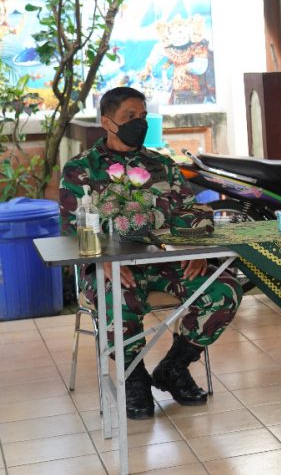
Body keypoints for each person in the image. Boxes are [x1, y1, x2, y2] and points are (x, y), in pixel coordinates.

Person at [60, 86, 241, 420]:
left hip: (164, 262)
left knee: (224, 289)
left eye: (142, 116)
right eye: (130, 117)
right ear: (107, 122)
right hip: (110, 267)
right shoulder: (81, 169)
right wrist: (104, 263)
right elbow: (74, 231)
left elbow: (191, 212)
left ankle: (174, 366)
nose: (139, 123)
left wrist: (195, 249)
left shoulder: (160, 164)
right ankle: (134, 377)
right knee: (117, 298)